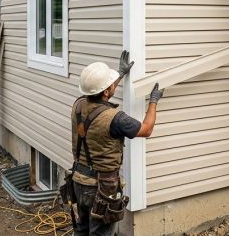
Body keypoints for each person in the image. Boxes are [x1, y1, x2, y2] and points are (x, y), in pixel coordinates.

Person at [69, 50, 164, 235]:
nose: (113, 86)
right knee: (100, 233)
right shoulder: (116, 119)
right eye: (111, 85)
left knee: (81, 230)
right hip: (101, 188)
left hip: (78, 180)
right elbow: (146, 129)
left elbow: (98, 93)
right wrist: (153, 101)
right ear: (106, 91)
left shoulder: (78, 105)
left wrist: (120, 74)